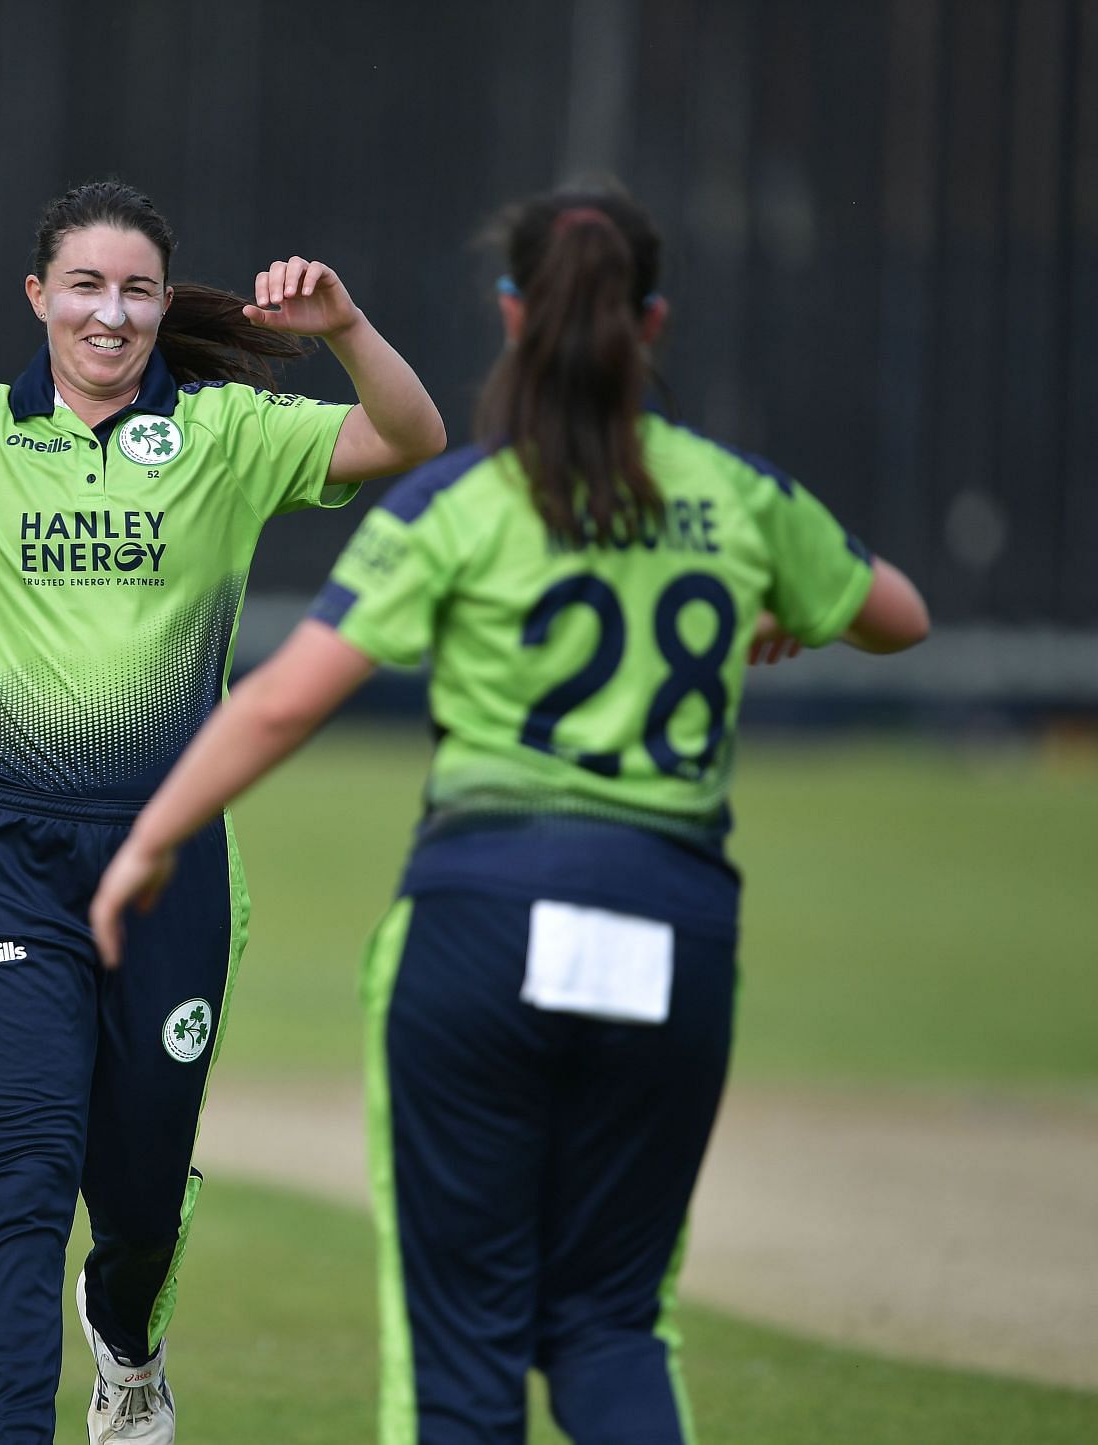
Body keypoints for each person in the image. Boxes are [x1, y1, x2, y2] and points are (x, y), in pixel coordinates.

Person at [90, 181, 930, 1445]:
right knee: (609, 1322)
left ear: (508, 314)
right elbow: (898, 613)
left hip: (480, 929)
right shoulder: (735, 494)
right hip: (672, 929)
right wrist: (775, 608)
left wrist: (150, 840)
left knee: (465, 1348)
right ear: (652, 322)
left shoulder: (470, 502)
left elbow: (277, 707)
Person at [0, 179, 444, 1443]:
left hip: (173, 860)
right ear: (37, 296)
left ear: (166, 304)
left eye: (138, 289)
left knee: (144, 1193)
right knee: (18, 1179)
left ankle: (129, 1340)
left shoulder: (227, 434)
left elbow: (409, 435)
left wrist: (342, 326)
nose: (111, 315)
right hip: (1, 848)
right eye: (87, 286)